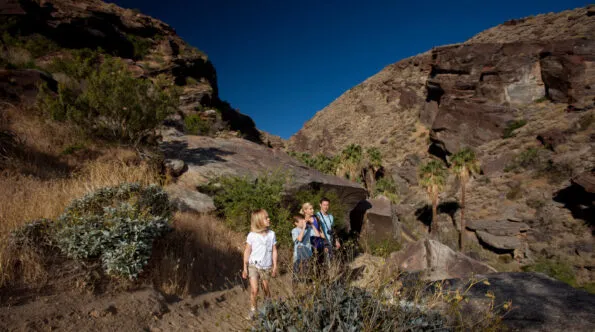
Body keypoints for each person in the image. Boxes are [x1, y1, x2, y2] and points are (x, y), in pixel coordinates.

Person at [242, 209, 278, 319]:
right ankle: (253, 310)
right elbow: (247, 251)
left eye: (268, 217)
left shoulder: (272, 234)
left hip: (266, 266)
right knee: (255, 289)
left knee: (266, 288)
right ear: (258, 221)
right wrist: (245, 267)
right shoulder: (252, 235)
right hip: (253, 265)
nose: (269, 219)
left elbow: (274, 250)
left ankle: (269, 308)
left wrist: (275, 265)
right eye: (266, 218)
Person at [300, 202, 327, 267]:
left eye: (313, 209)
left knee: (321, 266)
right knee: (310, 266)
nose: (313, 210)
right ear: (305, 210)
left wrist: (325, 244)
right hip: (308, 247)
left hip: (319, 245)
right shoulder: (302, 221)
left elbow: (321, 231)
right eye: (310, 209)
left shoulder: (316, 218)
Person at [315, 197, 341, 262]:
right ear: (320, 205)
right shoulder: (316, 216)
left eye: (327, 205)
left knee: (330, 261)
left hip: (330, 242)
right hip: (321, 242)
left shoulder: (330, 217)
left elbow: (333, 229)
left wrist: (336, 241)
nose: (326, 207)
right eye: (324, 205)